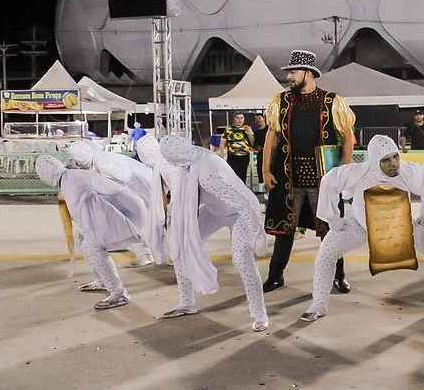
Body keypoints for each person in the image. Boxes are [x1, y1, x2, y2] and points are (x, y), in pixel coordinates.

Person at [299, 135, 424, 322]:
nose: (394, 163)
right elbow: (330, 180)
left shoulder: (407, 171)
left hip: (400, 226)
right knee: (327, 249)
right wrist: (333, 219)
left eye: (396, 157)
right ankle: (318, 303)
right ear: (375, 161)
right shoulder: (358, 172)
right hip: (360, 225)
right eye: (386, 160)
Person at [140, 135, 269, 331]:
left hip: (240, 213)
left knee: (242, 259)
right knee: (182, 246)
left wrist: (260, 236)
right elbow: (187, 197)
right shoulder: (190, 163)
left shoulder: (206, 172)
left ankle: (259, 314)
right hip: (215, 209)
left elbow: (242, 203)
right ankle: (187, 302)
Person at [262, 49, 355, 293]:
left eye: (293, 72)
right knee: (284, 231)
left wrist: (343, 173)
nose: (289, 77)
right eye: (289, 72)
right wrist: (265, 170)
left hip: (322, 181)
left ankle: (339, 276)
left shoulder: (332, 101)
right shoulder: (280, 102)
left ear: (308, 73)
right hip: (287, 177)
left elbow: (348, 138)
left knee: (331, 230)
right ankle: (275, 276)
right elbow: (271, 138)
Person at [35, 155, 149, 310]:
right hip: (125, 207)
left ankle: (118, 292)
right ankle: (102, 280)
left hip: (126, 211)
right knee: (81, 238)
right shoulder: (70, 176)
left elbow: (86, 215)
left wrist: (93, 236)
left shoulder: (71, 184)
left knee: (92, 246)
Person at [68, 140, 159, 268]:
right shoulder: (99, 160)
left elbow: (129, 179)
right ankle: (124, 244)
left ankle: (145, 255)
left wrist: (139, 199)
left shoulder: (103, 162)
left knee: (130, 221)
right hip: (132, 194)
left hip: (138, 192)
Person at [219, 112, 255, 183]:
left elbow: (252, 142)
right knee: (232, 177)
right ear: (234, 119)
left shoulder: (247, 129)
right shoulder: (228, 129)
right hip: (232, 156)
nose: (239, 120)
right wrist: (221, 157)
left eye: (241, 118)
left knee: (242, 177)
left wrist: (249, 132)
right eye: (237, 118)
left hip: (244, 156)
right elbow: (222, 143)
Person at [252, 113, 268, 188]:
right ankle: (265, 193)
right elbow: (255, 145)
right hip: (261, 154)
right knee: (261, 172)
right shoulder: (256, 133)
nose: (258, 120)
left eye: (259, 118)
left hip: (270, 154)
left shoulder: (269, 130)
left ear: (263, 118)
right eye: (256, 119)